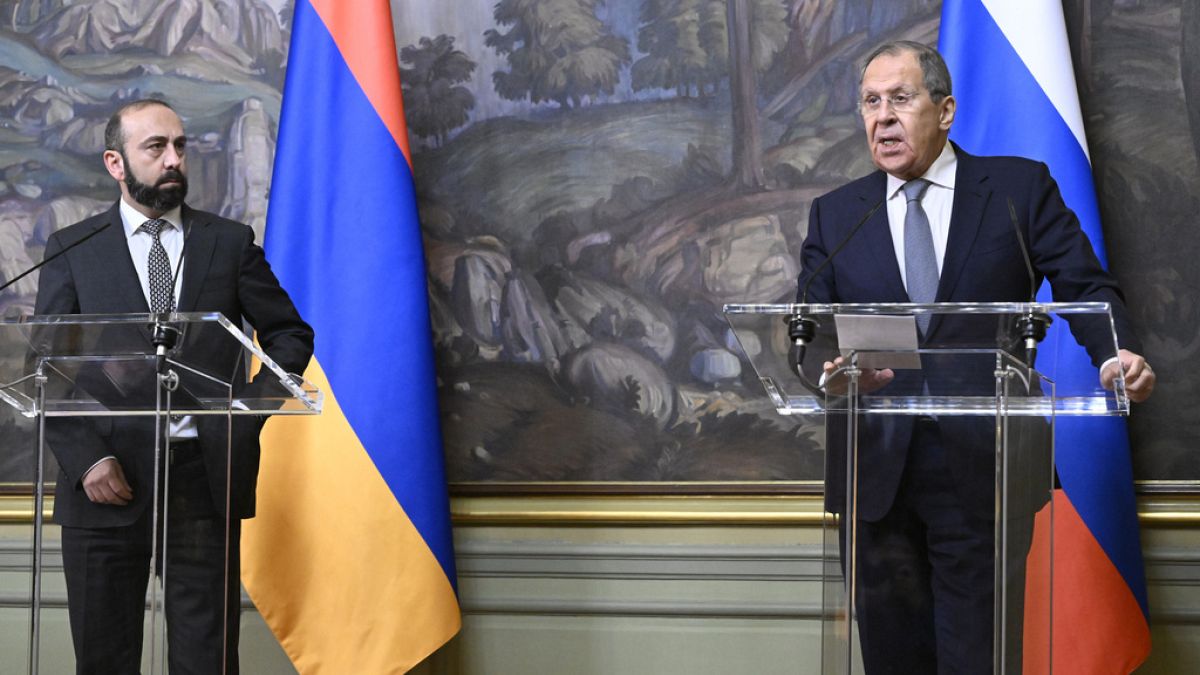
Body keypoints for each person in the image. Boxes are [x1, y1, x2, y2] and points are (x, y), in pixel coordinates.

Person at [796, 41, 1155, 673]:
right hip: (875, 477)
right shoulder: (836, 214)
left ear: (946, 110)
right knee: (893, 661)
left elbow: (1085, 286)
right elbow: (808, 329)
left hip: (985, 469)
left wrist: (1115, 352)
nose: (883, 117)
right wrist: (830, 373)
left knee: (977, 659)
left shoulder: (1017, 189)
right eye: (871, 102)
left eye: (901, 99)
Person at [35, 98, 314, 674]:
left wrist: (246, 411)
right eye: (156, 147)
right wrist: (87, 459)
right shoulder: (73, 249)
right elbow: (46, 367)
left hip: (202, 480)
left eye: (180, 147)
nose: (173, 160)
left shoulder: (228, 242)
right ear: (116, 163)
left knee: (205, 660)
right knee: (104, 660)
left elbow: (289, 334)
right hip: (103, 484)